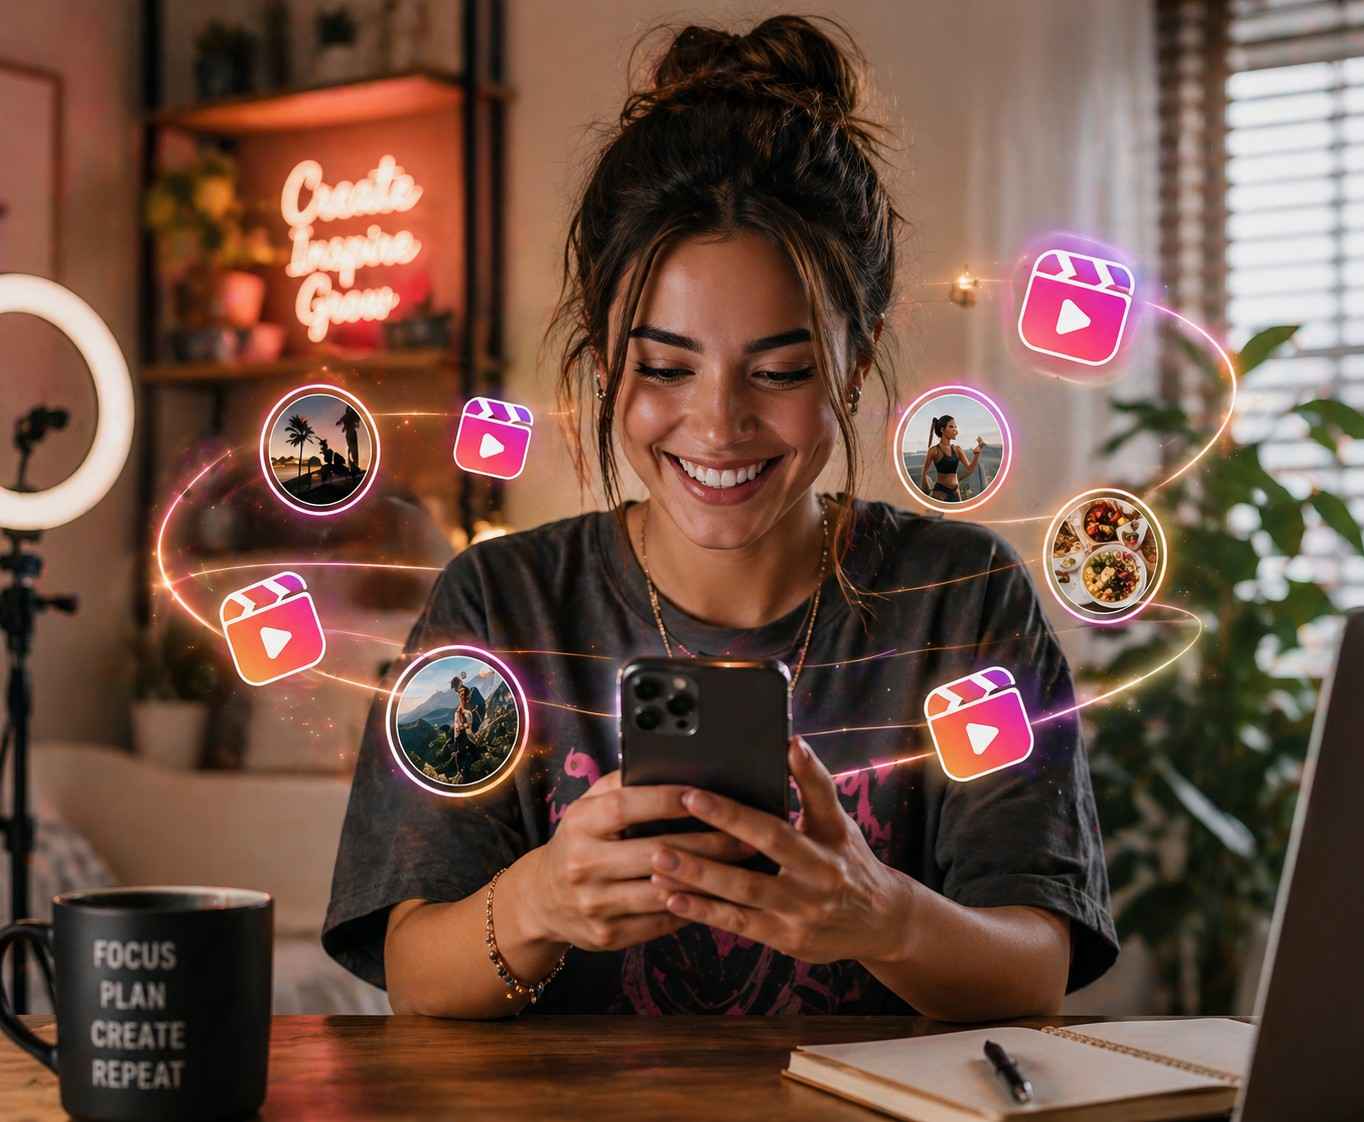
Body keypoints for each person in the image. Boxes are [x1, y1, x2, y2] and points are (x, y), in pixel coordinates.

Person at [323, 15, 1116, 1019]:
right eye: (664, 367)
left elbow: (1035, 968)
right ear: (603, 358)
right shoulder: (498, 603)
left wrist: (882, 917)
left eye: (780, 372)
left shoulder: (958, 599)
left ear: (857, 362)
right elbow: (415, 975)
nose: (718, 425)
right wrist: (537, 902)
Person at [919, 414, 985, 502]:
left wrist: (977, 454)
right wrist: (926, 491)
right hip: (940, 493)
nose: (955, 429)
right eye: (951, 426)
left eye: (955, 427)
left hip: (956, 492)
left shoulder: (957, 449)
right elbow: (924, 472)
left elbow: (970, 469)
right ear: (942, 430)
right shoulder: (934, 450)